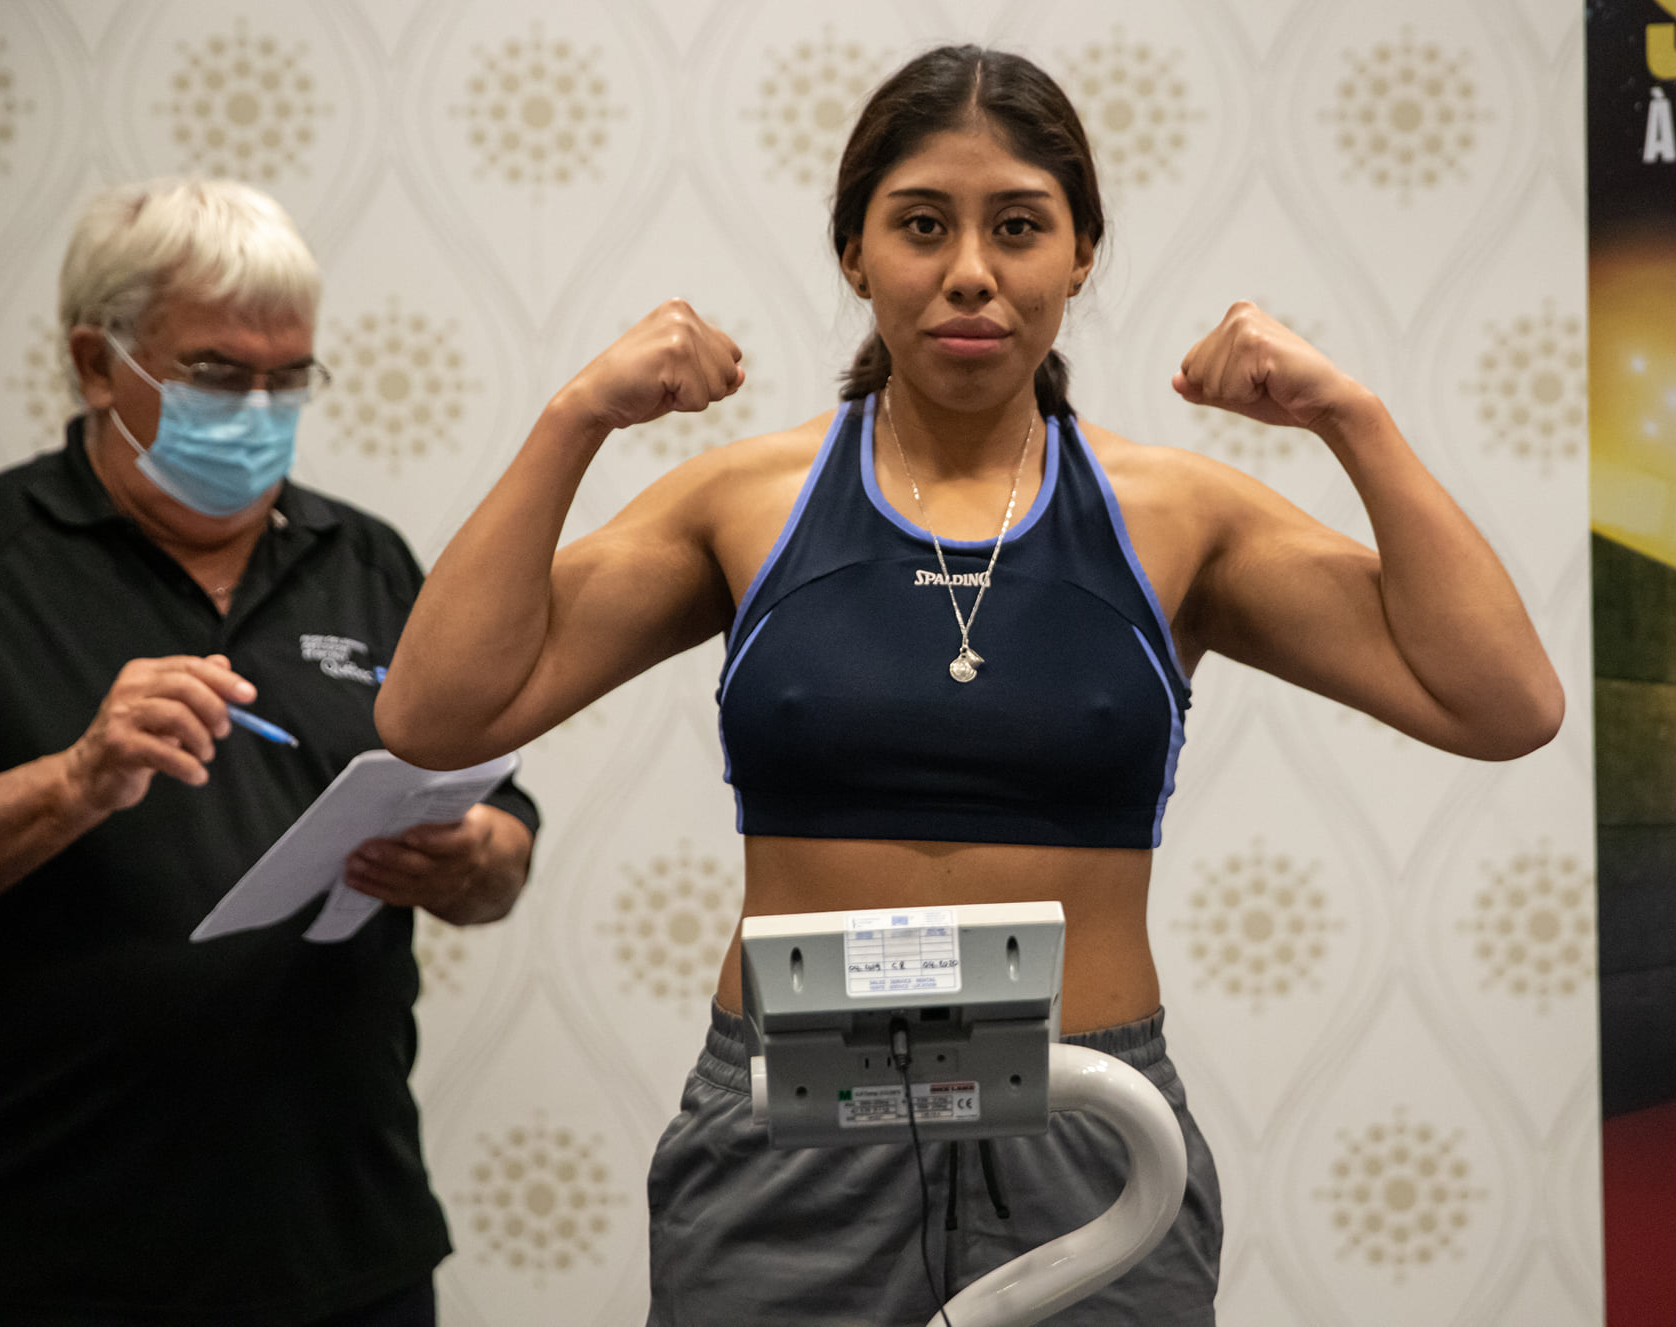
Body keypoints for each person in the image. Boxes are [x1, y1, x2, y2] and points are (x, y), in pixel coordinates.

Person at [377, 44, 1562, 1327]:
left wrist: (1352, 415)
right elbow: (433, 714)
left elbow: (1501, 703)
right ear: (854, 254)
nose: (969, 273)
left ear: (1079, 254)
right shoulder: (748, 503)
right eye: (921, 225)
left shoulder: (1173, 515)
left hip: (1085, 1125)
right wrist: (573, 417)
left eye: (1017, 227)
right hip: (790, 1127)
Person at [0, 178, 540, 1327]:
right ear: (99, 366)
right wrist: (73, 781)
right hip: (29, 1257)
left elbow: (506, 845)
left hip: (342, 1248)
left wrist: (471, 859)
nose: (257, 407)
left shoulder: (371, 560)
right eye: (215, 374)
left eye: (286, 376)